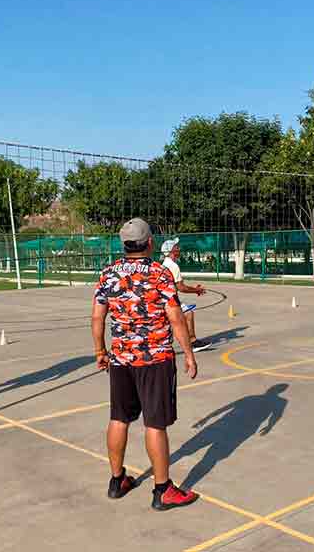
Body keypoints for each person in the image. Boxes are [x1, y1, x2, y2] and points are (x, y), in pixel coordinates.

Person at [92, 218, 200, 511]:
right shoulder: (159, 274)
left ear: (124, 244)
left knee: (119, 418)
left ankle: (117, 480)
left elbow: (97, 316)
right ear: (149, 242)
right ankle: (163, 489)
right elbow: (176, 317)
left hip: (121, 358)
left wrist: (100, 350)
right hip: (154, 359)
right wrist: (189, 353)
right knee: (155, 422)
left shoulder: (108, 273)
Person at [161, 238, 211, 352]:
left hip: (164, 299)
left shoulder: (165, 264)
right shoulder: (173, 266)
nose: (179, 248)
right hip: (169, 300)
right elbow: (181, 287)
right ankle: (193, 343)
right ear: (171, 251)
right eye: (176, 247)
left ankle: (190, 342)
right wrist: (196, 290)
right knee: (188, 313)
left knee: (184, 315)